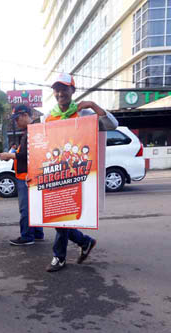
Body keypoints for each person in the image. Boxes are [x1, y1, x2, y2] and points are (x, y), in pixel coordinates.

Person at [44, 72, 118, 272]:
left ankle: (59, 257)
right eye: (57, 89)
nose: (60, 93)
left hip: (80, 173)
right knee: (59, 217)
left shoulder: (85, 114)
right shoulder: (49, 117)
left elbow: (113, 124)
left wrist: (93, 105)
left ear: (72, 90)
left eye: (64, 88)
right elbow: (43, 147)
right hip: (57, 173)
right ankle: (84, 241)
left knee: (62, 217)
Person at [0, 104, 45, 246]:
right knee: (34, 206)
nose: (16, 122)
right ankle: (37, 233)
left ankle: (26, 236)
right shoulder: (30, 131)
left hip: (26, 176)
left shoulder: (31, 132)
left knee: (25, 208)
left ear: (25, 115)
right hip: (29, 175)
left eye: (17, 119)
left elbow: (26, 155)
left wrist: (10, 155)